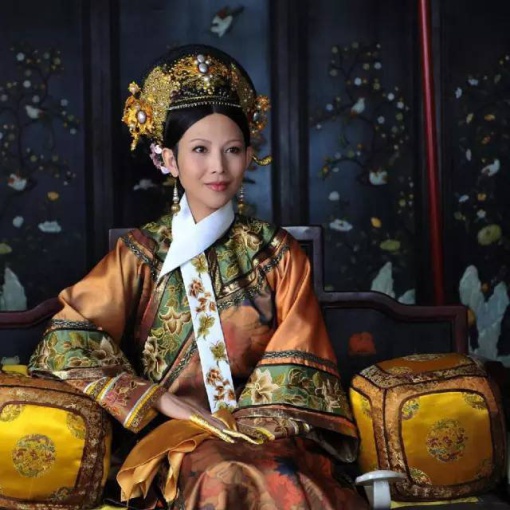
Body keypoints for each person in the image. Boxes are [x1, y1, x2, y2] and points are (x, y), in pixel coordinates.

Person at [29, 44, 368, 510]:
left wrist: (247, 425)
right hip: (175, 437)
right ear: (167, 159)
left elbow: (298, 361)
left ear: (249, 156)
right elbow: (66, 341)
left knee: (281, 476)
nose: (218, 167)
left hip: (268, 434)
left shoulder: (278, 254)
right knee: (222, 474)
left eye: (232, 150)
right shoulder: (139, 255)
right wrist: (157, 400)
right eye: (200, 150)